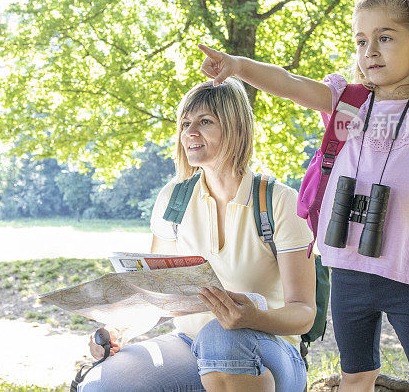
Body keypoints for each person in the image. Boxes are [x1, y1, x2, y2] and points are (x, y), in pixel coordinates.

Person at [197, 0, 409, 392]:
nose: (370, 51)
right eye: (361, 40)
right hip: (348, 266)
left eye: (385, 38)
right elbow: (289, 82)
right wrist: (238, 66)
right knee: (355, 374)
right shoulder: (347, 103)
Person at [79, 77, 317, 392]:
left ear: (235, 128)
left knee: (219, 337)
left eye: (205, 122)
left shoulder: (279, 201)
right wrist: (119, 330)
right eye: (185, 123)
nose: (190, 132)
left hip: (270, 351)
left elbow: (303, 314)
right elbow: (160, 299)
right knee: (102, 384)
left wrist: (251, 318)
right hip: (189, 345)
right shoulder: (173, 199)